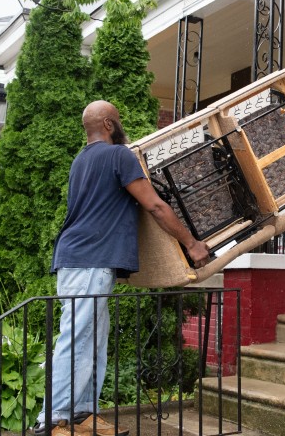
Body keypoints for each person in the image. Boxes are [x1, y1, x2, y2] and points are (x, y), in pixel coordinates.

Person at [34, 100, 211, 436]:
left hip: (81, 259)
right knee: (78, 339)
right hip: (90, 261)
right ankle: (52, 420)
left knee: (93, 340)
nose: (122, 124)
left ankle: (82, 415)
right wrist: (191, 243)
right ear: (109, 124)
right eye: (119, 119)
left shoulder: (80, 161)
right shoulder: (118, 156)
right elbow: (156, 206)